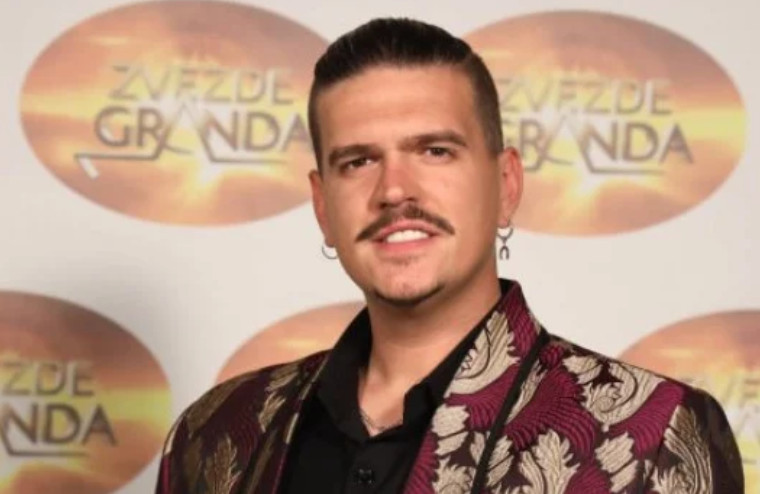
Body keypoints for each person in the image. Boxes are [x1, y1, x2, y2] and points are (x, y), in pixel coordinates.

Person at [155, 18, 743, 494]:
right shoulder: (218, 430)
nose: (394, 190)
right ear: (323, 206)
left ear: (506, 184)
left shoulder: (651, 432)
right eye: (358, 161)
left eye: (435, 151)